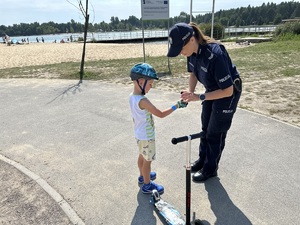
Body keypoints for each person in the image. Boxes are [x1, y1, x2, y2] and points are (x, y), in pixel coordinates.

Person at [167, 22, 242, 182]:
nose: (180, 53)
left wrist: (199, 97)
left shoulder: (215, 53)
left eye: (181, 48)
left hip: (228, 93)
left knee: (215, 132)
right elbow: (193, 73)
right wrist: (191, 92)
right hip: (211, 89)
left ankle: (210, 169)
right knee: (205, 128)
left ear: (192, 39)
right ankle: (202, 160)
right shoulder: (191, 53)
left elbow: (227, 90)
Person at [129, 62, 187, 194]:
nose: (151, 87)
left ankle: (143, 176)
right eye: (150, 84)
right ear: (141, 81)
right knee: (148, 161)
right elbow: (160, 114)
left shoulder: (132, 97)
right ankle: (147, 185)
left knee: (142, 157)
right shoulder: (143, 100)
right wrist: (177, 105)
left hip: (139, 134)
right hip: (147, 137)